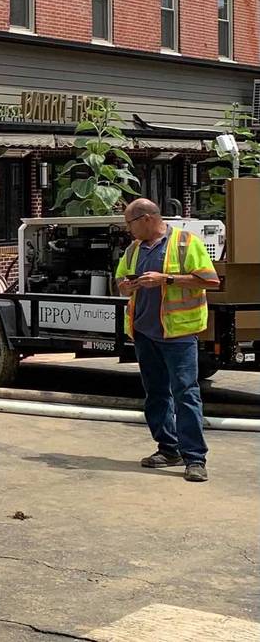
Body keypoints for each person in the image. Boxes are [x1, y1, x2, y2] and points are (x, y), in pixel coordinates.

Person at [115, 198, 219, 483]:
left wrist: (167, 279)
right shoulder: (134, 249)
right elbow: (122, 283)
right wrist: (126, 285)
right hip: (145, 333)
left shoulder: (185, 243)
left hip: (178, 334)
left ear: (146, 219)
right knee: (157, 394)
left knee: (186, 393)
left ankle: (195, 459)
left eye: (130, 224)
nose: (128, 230)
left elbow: (211, 281)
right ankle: (168, 449)